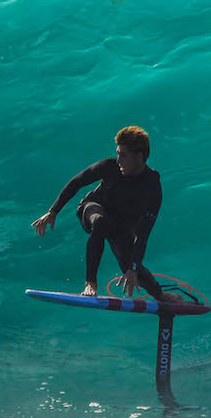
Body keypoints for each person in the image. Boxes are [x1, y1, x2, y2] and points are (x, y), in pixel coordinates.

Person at [31, 126, 180, 301]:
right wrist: (53, 212)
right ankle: (90, 283)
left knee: (132, 269)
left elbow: (144, 232)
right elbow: (77, 182)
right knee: (100, 222)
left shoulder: (152, 184)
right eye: (118, 154)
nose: (118, 160)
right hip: (92, 209)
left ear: (139, 156)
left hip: (119, 226)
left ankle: (161, 295)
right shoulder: (110, 167)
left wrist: (132, 268)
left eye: (123, 155)